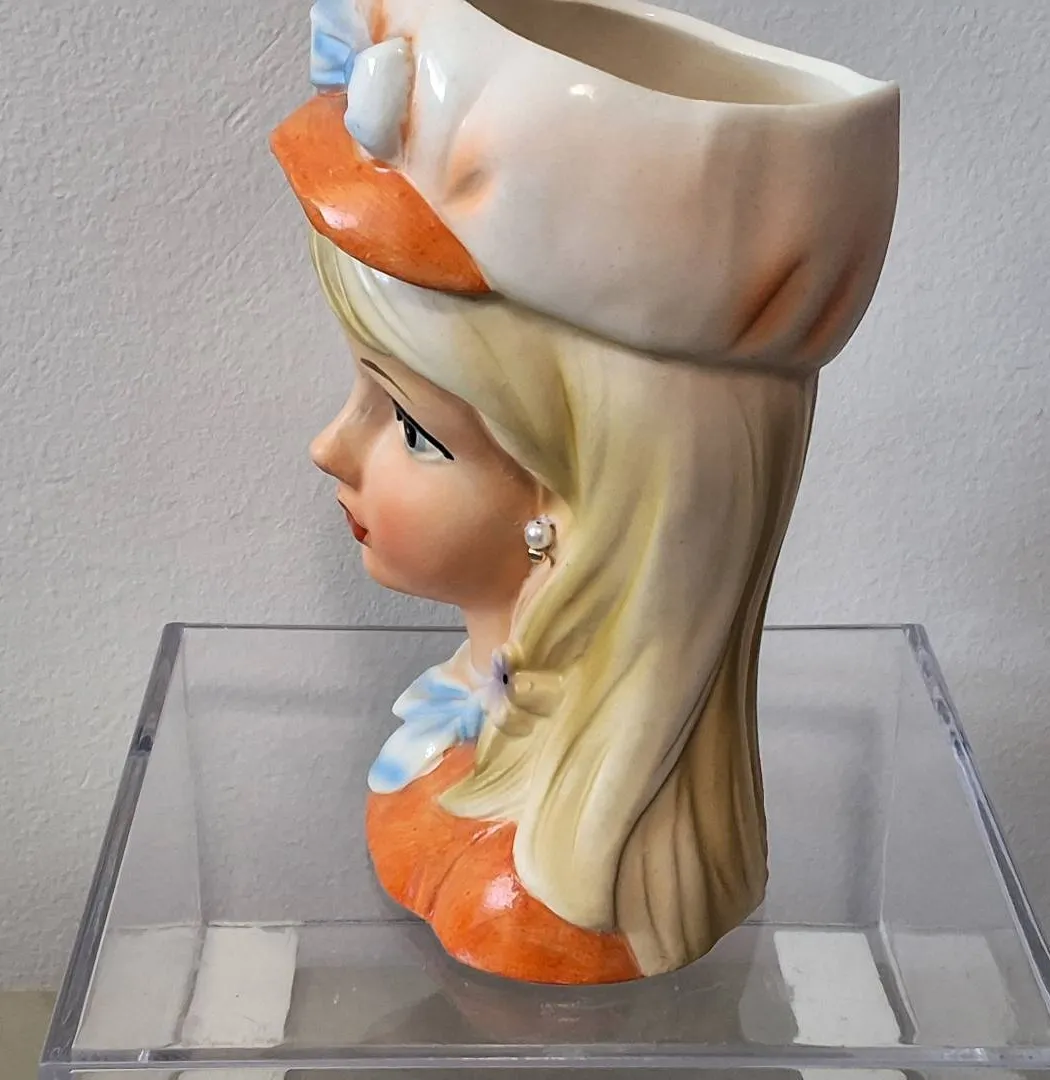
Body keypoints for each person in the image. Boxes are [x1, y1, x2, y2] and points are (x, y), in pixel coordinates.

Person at [272, 0, 899, 982]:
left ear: (584, 512)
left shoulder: (542, 903)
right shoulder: (451, 748)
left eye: (410, 425)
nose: (329, 447)